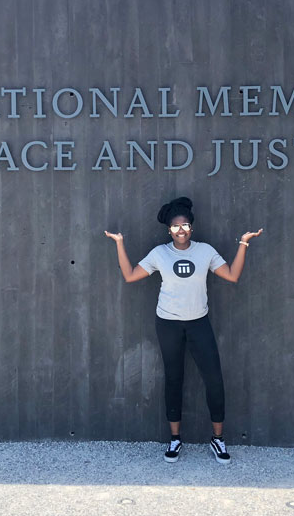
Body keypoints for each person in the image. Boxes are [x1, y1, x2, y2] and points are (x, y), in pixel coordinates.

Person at [104, 196, 262, 464]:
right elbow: (130, 275)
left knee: (214, 379)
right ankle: (175, 439)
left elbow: (232, 275)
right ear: (169, 230)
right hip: (167, 323)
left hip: (199, 322)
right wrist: (120, 243)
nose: (180, 230)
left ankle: (217, 439)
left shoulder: (205, 251)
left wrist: (244, 243)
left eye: (185, 225)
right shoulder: (159, 254)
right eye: (175, 226)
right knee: (174, 378)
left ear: (192, 228)